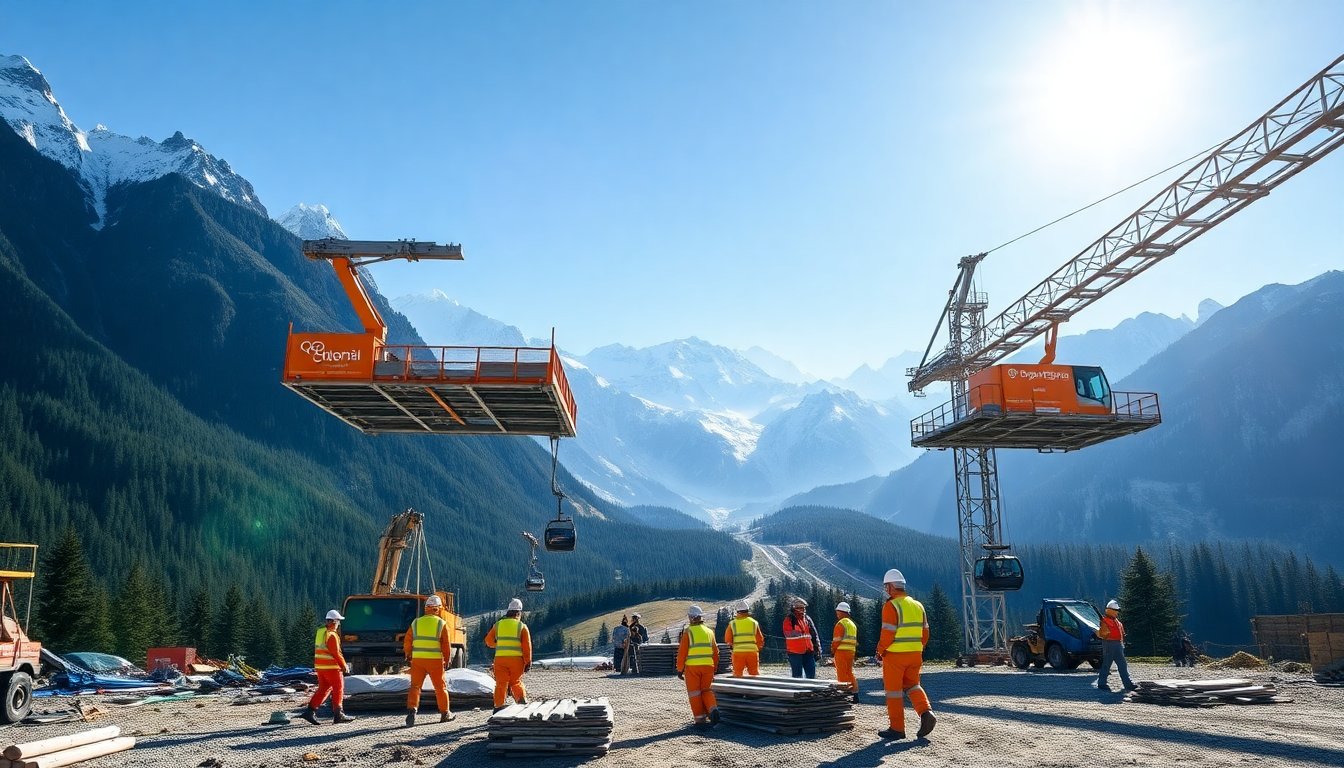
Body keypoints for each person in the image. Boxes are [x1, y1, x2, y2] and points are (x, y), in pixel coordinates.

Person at [877, 569, 935, 741]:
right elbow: (925, 633)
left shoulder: (891, 606)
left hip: (895, 655)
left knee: (893, 691)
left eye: (886, 586)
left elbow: (888, 634)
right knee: (913, 685)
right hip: (915, 654)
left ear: (890, 587)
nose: (886, 590)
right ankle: (926, 712)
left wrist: (880, 650)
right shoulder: (918, 606)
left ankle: (897, 729)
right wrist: (918, 648)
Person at [402, 594, 455, 726]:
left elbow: (407, 641)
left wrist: (409, 655)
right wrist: (447, 660)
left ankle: (412, 711)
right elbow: (446, 645)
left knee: (415, 687)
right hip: (435, 661)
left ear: (426, 608)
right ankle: (445, 713)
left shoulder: (416, 622)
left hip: (418, 661)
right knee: (440, 688)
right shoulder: (441, 624)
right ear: (438, 609)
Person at [301, 609, 355, 725]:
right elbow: (336, 653)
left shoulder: (321, 632)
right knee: (338, 688)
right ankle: (338, 714)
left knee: (324, 688)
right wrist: (344, 666)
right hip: (332, 667)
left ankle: (310, 711)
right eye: (339, 621)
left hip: (320, 667)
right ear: (334, 622)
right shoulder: (332, 635)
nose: (339, 624)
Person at [676, 605, 721, 727]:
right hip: (708, 667)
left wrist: (680, 669)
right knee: (706, 690)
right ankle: (712, 708)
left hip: (693, 668)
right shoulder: (709, 632)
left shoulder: (688, 632)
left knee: (694, 693)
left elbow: (682, 653)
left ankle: (700, 719)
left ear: (691, 617)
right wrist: (715, 668)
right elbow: (716, 652)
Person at [485, 597, 532, 710]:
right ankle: (521, 703)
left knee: (501, 684)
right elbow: (527, 647)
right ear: (519, 612)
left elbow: (488, 641)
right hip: (517, 661)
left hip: (500, 660)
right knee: (515, 682)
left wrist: (499, 644)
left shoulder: (498, 625)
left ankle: (498, 708)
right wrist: (528, 662)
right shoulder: (522, 627)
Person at [1096, 599, 1135, 692]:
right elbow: (1104, 634)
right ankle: (1102, 683)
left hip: (1117, 644)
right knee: (1107, 664)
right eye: (1116, 611)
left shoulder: (1116, 621)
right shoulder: (1105, 621)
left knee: (1122, 665)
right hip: (1109, 644)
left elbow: (1120, 632)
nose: (1118, 612)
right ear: (1112, 611)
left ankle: (1128, 684)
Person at [783, 597, 822, 679]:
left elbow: (814, 635)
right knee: (797, 676)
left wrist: (817, 648)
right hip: (795, 652)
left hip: (808, 651)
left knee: (811, 675)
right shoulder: (789, 620)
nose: (803, 610)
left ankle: (812, 691)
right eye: (800, 608)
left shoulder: (807, 619)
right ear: (795, 608)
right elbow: (788, 633)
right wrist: (800, 633)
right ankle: (798, 691)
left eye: (804, 608)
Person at [724, 601, 764, 677]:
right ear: (747, 611)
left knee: (737, 674)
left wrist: (733, 647)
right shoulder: (754, 622)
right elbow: (760, 639)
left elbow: (728, 640)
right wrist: (757, 649)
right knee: (754, 674)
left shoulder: (732, 623)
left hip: (738, 652)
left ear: (738, 612)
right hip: (752, 652)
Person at [831, 601, 859, 696]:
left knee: (842, 673)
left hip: (841, 651)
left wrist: (833, 651)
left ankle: (844, 694)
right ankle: (855, 694)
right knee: (849, 672)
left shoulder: (840, 624)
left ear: (842, 612)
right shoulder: (852, 624)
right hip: (851, 652)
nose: (837, 614)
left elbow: (836, 641)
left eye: (838, 611)